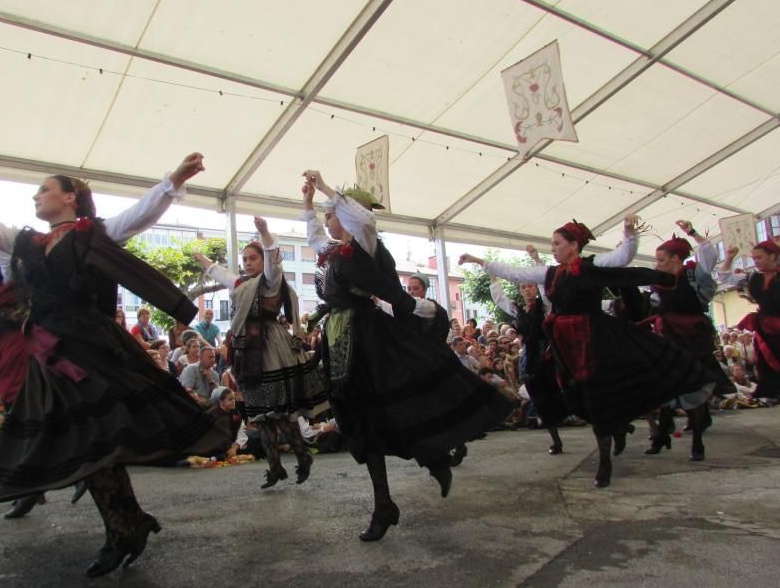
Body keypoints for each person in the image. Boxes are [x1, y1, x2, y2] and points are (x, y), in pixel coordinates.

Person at [0, 160, 228, 577]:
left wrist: (174, 181)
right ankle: (127, 523)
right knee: (84, 442)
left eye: (44, 189)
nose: (36, 196)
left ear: (69, 197)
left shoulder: (91, 234)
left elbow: (138, 215)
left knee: (93, 439)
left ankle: (124, 527)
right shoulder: (22, 246)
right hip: (51, 358)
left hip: (94, 352)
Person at [301, 170, 510, 541]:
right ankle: (385, 503)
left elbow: (363, 220)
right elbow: (315, 236)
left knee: (393, 409)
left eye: (331, 212)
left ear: (350, 212)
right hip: (340, 341)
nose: (326, 218)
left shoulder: (365, 242)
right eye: (326, 212)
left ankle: (433, 459)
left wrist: (326, 189)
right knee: (361, 423)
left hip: (368, 341)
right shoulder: (334, 252)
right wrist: (307, 205)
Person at [461, 217, 714, 488]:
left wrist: (629, 235)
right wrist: (480, 261)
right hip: (564, 346)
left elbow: (623, 258)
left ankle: (606, 459)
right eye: (553, 244)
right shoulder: (551, 273)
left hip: (596, 341)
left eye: (557, 243)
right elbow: (515, 273)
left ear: (573, 246)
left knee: (601, 392)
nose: (554, 248)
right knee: (567, 391)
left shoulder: (593, 266)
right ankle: (614, 427)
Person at [196, 215, 328, 490]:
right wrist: (206, 263)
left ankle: (303, 457)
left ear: (262, 261)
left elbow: (274, 262)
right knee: (260, 415)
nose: (247, 263)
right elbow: (224, 275)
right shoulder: (244, 285)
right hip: (248, 352)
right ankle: (275, 467)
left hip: (271, 350)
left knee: (278, 413)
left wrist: (266, 233)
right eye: (245, 260)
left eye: (252, 259)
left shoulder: (270, 281)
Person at [644, 221, 733, 461]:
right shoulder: (658, 282)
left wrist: (692, 233)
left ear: (675, 259)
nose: (657, 264)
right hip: (667, 337)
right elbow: (651, 304)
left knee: (691, 384)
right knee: (665, 386)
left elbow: (710, 255)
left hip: (693, 337)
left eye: (661, 260)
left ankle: (696, 442)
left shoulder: (695, 274)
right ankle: (663, 434)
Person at [488, 245, 570, 456]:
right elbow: (500, 299)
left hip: (551, 357)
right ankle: (556, 441)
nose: (526, 289)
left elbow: (546, 282)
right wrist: (492, 275)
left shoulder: (545, 307)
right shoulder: (517, 310)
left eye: (530, 286)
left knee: (566, 394)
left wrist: (535, 259)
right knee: (540, 399)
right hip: (531, 360)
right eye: (523, 286)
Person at [719, 239, 780, 399]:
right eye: (753, 258)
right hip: (765, 329)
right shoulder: (754, 278)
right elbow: (725, 278)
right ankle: (770, 392)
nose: (755, 261)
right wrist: (730, 258)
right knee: (765, 362)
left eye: (759, 257)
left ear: (773, 256)